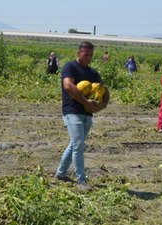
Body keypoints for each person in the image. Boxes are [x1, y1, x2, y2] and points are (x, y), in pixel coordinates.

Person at [55, 41, 110, 191]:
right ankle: (81, 180)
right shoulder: (70, 67)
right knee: (79, 145)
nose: (88, 58)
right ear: (78, 53)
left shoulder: (93, 73)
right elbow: (68, 86)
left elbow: (104, 90)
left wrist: (102, 105)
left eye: (91, 55)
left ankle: (60, 173)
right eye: (86, 54)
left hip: (87, 114)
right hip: (72, 112)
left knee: (74, 144)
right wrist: (85, 101)